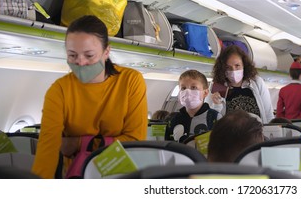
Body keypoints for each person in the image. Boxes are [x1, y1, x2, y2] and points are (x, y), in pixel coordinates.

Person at [32, 15, 148, 179]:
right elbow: (48, 147)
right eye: (72, 55)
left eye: (89, 55)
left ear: (106, 52)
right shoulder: (59, 90)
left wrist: (78, 143)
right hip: (76, 175)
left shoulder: (131, 81)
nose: (80, 62)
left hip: (120, 173)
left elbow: (134, 141)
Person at [208, 45, 274, 123]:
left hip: (257, 133)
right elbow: (210, 119)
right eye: (228, 67)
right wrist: (216, 106)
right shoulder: (217, 87)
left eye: (237, 66)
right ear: (223, 69)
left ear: (244, 65)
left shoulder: (257, 82)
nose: (233, 70)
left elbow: (268, 114)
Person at [165, 70, 221, 142]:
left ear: (205, 92)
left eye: (194, 87)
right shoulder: (173, 119)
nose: (187, 92)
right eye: (183, 88)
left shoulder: (214, 117)